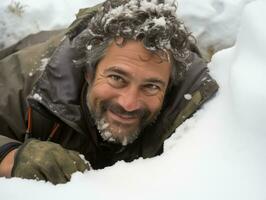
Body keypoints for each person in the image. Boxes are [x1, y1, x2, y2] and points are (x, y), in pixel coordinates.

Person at [0, 0, 218, 184]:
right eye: (117, 78)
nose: (129, 103)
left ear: (169, 85)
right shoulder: (26, 78)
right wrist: (9, 155)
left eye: (151, 86)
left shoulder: (199, 106)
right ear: (88, 72)